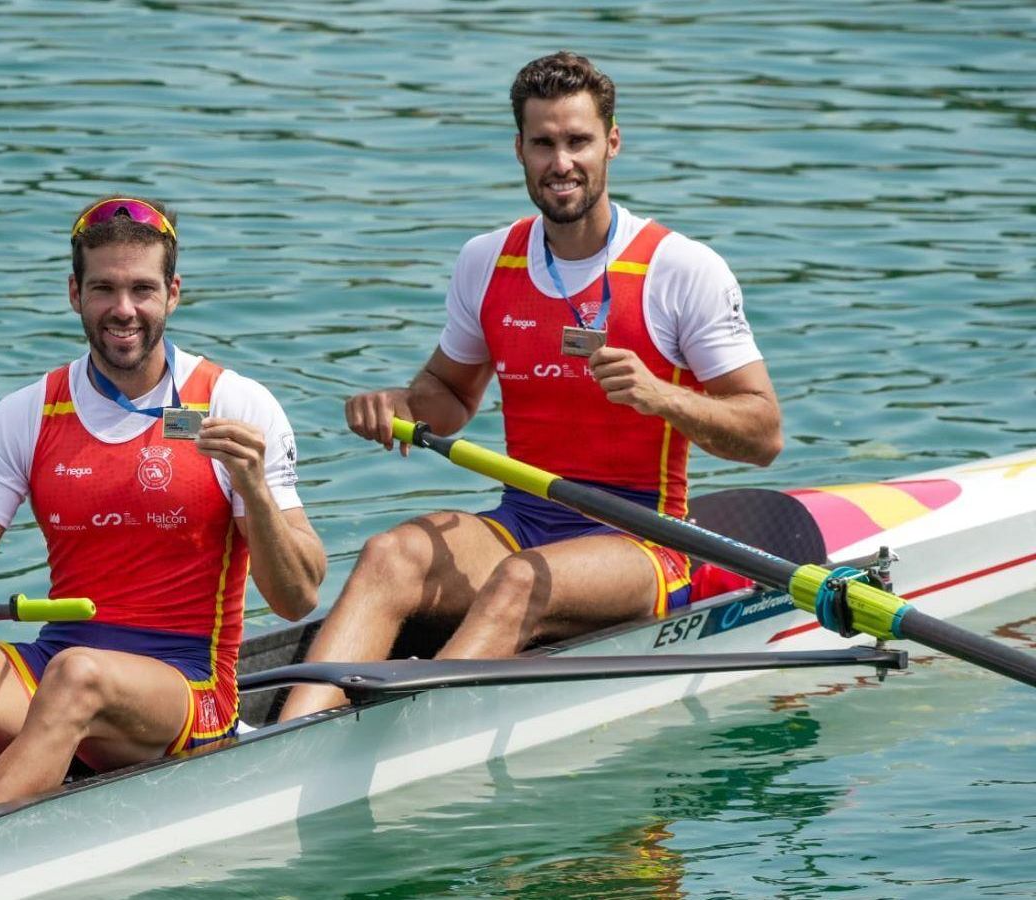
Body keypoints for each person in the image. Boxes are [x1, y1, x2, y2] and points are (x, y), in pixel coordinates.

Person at [280, 51, 782, 720]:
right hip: (522, 519)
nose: (561, 162)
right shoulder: (486, 260)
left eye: (577, 140)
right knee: (389, 553)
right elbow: (449, 397)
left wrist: (661, 396)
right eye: (543, 143)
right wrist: (397, 405)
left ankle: (413, 736)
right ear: (519, 148)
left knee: (520, 581)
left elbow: (763, 434)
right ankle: (293, 733)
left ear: (612, 142)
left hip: (646, 543)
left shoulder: (680, 269)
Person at [0, 196, 325, 811]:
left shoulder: (234, 404)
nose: (124, 310)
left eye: (142, 289)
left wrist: (253, 487)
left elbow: (298, 598)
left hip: (189, 691)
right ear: (75, 293)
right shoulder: (31, 412)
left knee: (78, 675)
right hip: (60, 665)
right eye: (104, 289)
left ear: (174, 294)